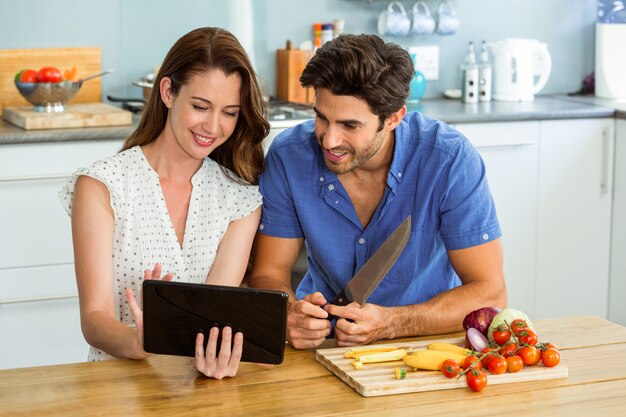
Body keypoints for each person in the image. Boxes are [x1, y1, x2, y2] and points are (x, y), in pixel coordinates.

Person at [249, 34, 506, 349]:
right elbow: (269, 273)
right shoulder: (290, 156)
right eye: (321, 117)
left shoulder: (449, 159)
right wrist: (288, 314)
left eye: (350, 125)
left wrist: (394, 322)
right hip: (324, 344)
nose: (329, 141)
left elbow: (490, 292)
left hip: (428, 343)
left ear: (394, 117)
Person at [59, 27, 269, 378]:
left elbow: (213, 317)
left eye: (230, 112)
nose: (213, 126)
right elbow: (95, 321)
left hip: (199, 388)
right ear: (168, 92)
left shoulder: (239, 200)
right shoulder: (101, 187)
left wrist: (218, 352)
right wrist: (140, 340)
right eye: (200, 106)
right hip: (113, 387)